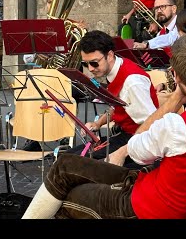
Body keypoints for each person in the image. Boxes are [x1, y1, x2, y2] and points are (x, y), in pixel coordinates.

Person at [21, 33, 186, 219]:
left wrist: (176, 98)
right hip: (156, 190)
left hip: (143, 207)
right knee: (67, 164)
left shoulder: (177, 125)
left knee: (68, 195)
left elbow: (135, 148)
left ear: (176, 76)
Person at [62, 30, 159, 167]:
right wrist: (97, 124)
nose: (90, 69)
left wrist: (123, 152)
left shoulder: (132, 82)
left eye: (94, 63)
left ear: (110, 55)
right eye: (85, 64)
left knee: (74, 163)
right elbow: (117, 106)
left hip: (136, 139)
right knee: (66, 157)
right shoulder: (114, 68)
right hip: (124, 135)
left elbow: (151, 124)